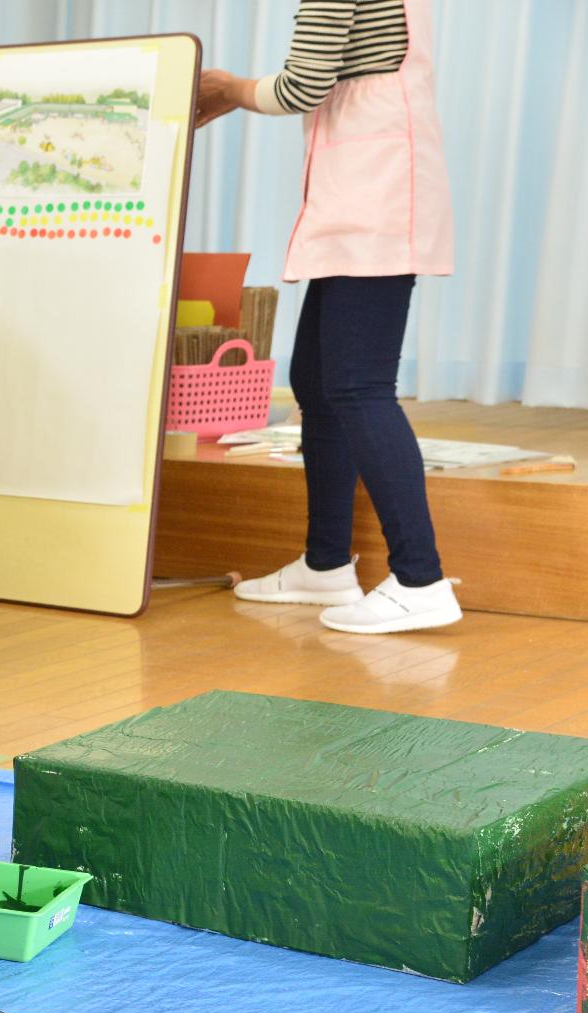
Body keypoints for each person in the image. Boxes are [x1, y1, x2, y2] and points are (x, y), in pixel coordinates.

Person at [201, 0, 461, 634]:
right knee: (317, 382)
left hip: (373, 197)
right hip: (365, 195)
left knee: (355, 387)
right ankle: (324, 565)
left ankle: (420, 579)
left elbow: (302, 85)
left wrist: (230, 89)